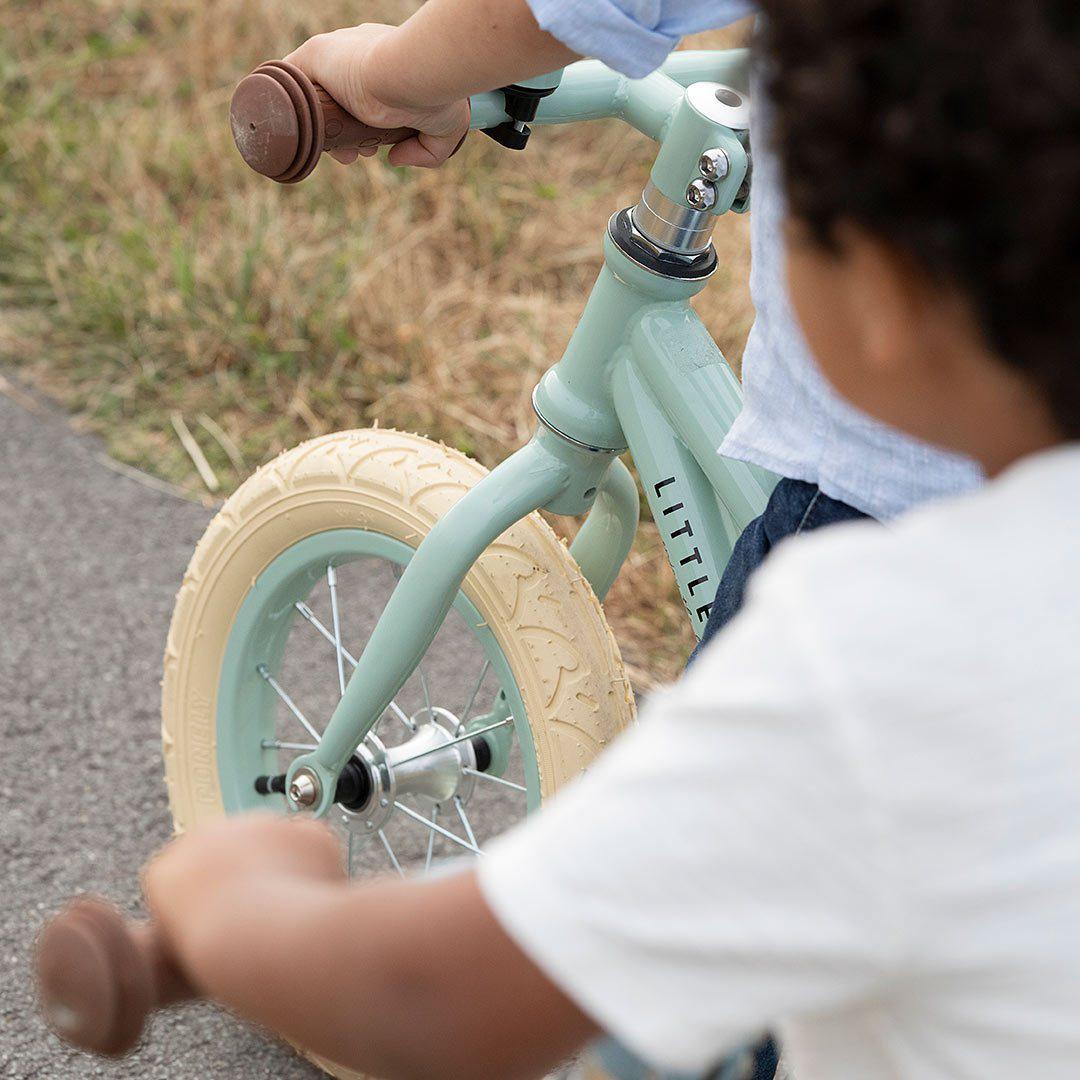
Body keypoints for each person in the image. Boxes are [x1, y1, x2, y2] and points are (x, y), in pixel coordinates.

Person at [140, 1, 1079, 1078]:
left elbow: (426, 998)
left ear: (877, 288)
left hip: (868, 490)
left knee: (728, 1015)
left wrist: (233, 913)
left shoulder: (866, 660)